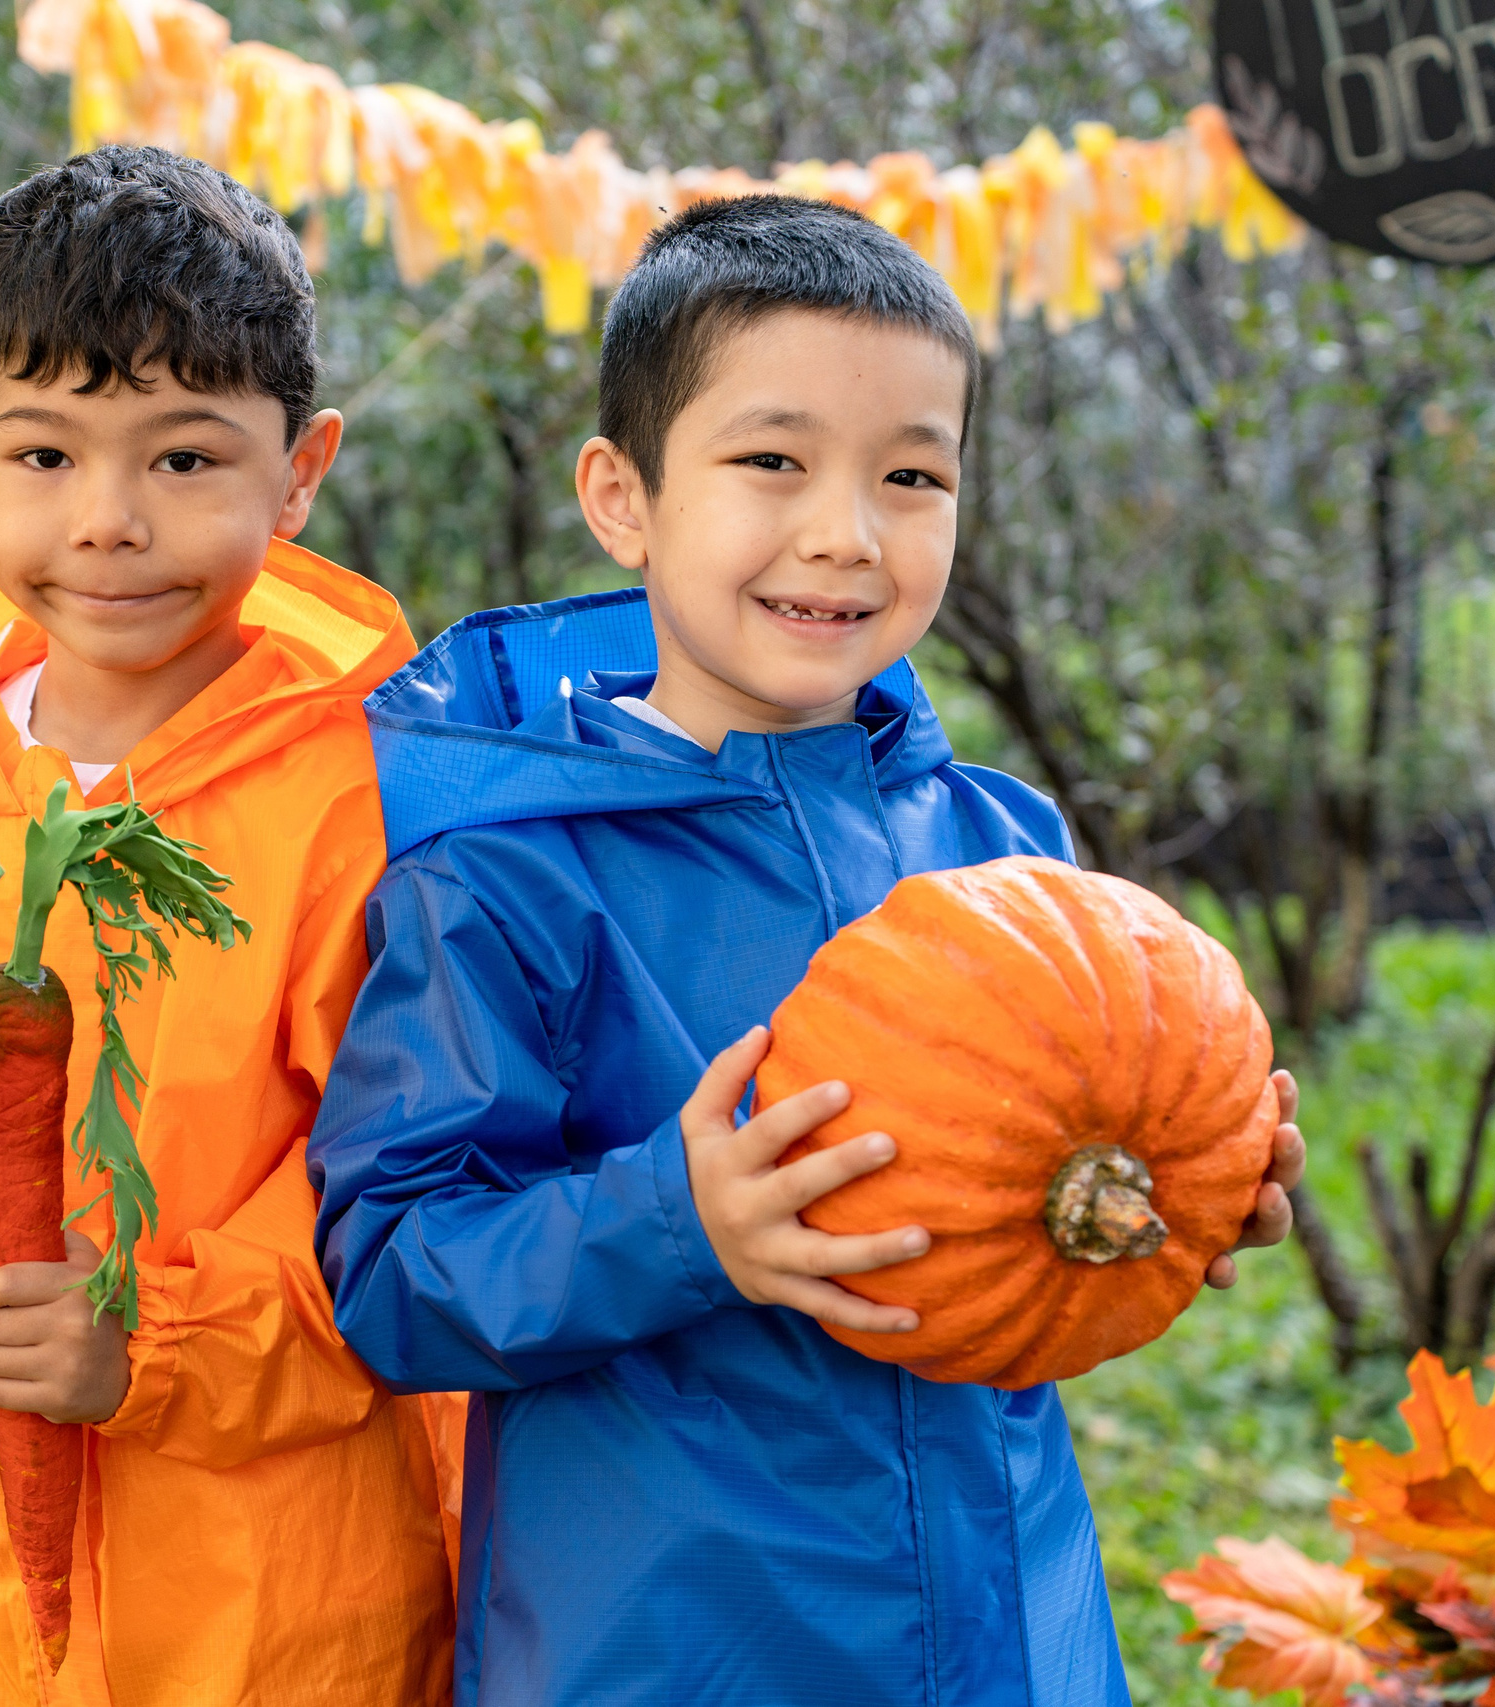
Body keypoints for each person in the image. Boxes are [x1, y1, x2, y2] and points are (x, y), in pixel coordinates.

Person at [307, 194, 1307, 1706]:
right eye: (774, 461)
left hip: (1009, 1637)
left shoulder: (1003, 841)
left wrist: (1189, 1176)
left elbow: (1036, 1216)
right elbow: (393, 1272)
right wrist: (678, 1222)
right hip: (670, 1653)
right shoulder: (508, 873)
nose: (846, 532)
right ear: (624, 498)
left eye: (912, 475)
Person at [0, 144, 457, 1707]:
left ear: (302, 471)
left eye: (185, 460)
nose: (108, 521)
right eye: (46, 455)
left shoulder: (371, 802)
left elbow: (403, 1192)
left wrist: (148, 1343)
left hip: (285, 1608)